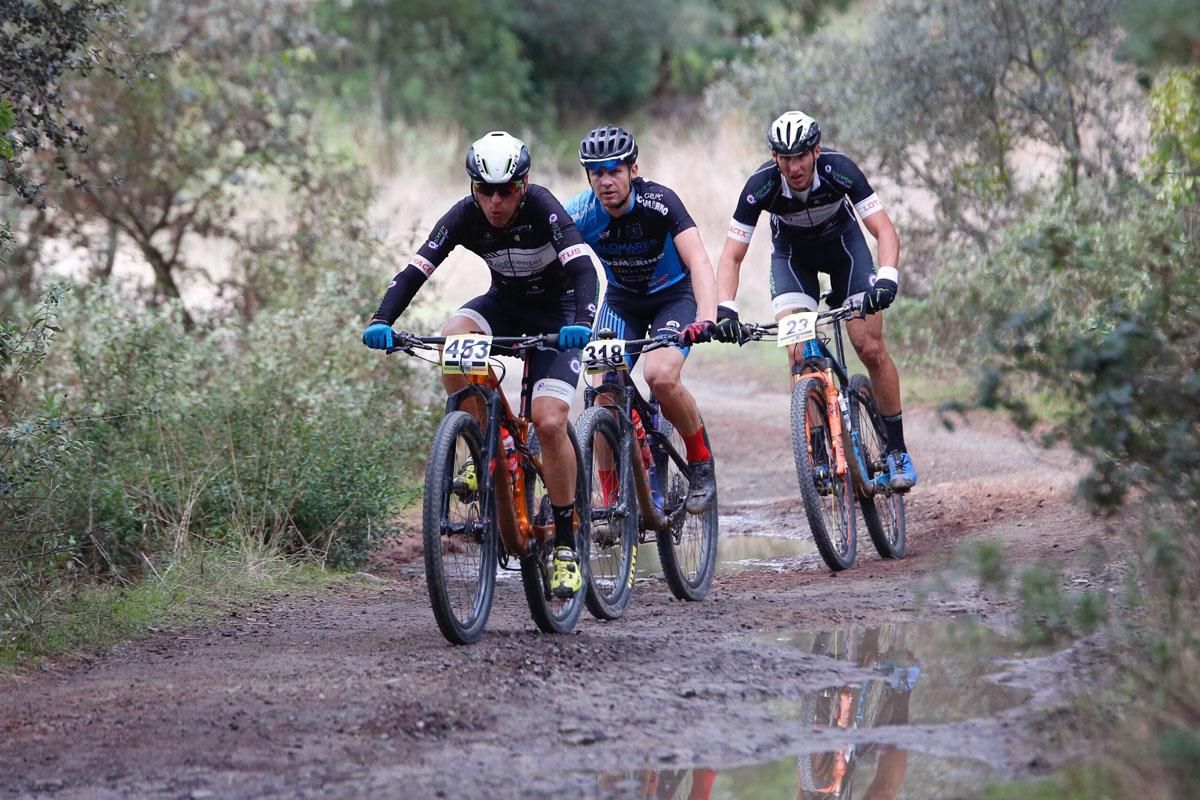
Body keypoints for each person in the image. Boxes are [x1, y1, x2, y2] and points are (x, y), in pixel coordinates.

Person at [362, 130, 600, 597]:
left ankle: (568, 546)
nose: (495, 201)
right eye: (484, 189)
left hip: (560, 313)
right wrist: (382, 319)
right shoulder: (464, 216)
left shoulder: (543, 208)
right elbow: (415, 271)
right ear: (473, 187)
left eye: (505, 190)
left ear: (524, 183)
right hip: (504, 304)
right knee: (454, 339)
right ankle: (482, 439)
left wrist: (583, 322)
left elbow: (584, 271)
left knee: (549, 423)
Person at [714, 111, 917, 490]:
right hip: (793, 258)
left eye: (801, 156)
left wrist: (887, 277)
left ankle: (897, 450)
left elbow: (883, 229)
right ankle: (820, 450)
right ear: (775, 158)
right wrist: (726, 308)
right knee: (798, 352)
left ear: (816, 151)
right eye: (785, 158)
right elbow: (731, 255)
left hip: (846, 251)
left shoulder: (840, 169)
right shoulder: (761, 186)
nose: (794, 166)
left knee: (868, 345)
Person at [565, 124, 719, 513]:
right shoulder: (581, 212)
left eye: (614, 170)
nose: (605, 181)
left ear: (633, 169)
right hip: (623, 302)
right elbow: (554, 261)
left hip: (674, 297)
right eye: (596, 172)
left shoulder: (660, 202)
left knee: (661, 376)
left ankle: (700, 463)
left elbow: (698, 260)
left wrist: (707, 316)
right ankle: (611, 501)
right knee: (602, 393)